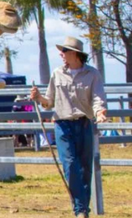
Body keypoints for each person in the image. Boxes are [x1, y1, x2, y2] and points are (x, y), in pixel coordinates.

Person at [30, 36, 107, 218]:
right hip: (63, 124)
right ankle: (80, 210)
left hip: (84, 123)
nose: (61, 54)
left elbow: (98, 97)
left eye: (64, 51)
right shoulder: (57, 73)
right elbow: (49, 101)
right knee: (70, 165)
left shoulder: (92, 74)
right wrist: (39, 98)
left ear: (75, 54)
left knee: (85, 168)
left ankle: (82, 209)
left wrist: (100, 111)